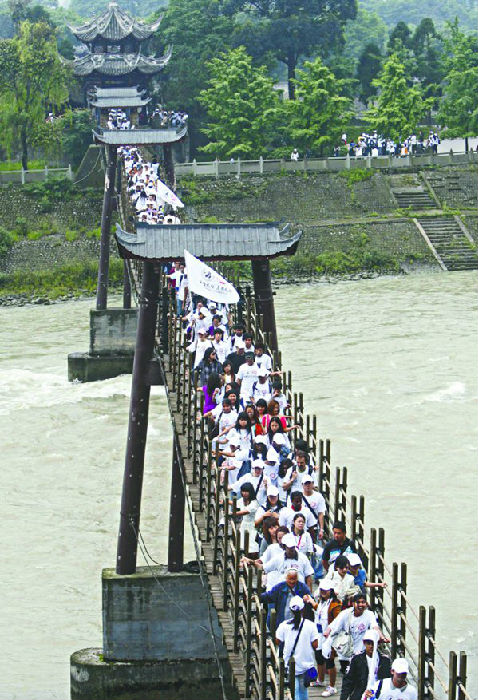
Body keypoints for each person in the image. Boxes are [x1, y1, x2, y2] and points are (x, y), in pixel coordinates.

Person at [322, 593, 389, 662]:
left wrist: (382, 637)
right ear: (353, 604)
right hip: (345, 652)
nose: (360, 605)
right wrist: (327, 631)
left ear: (366, 604)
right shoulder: (345, 613)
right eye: (358, 602)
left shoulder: (369, 614)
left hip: (360, 652)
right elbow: (334, 624)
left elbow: (375, 627)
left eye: (363, 602)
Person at [275, 595, 319, 700]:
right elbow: (316, 645)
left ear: (291, 610)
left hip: (289, 664)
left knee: (294, 692)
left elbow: (277, 641)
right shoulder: (311, 625)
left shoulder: (284, 625)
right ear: (303, 608)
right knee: (303, 691)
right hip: (306, 664)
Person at [304, 579, 342, 695]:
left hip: (329, 636)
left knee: (329, 661)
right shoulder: (321, 601)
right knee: (319, 657)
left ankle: (332, 686)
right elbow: (318, 610)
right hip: (319, 633)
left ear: (330, 591)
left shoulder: (336, 604)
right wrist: (311, 601)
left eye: (325, 590)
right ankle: (320, 680)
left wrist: (331, 632)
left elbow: (338, 621)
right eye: (321, 590)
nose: (323, 592)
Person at [341, 630, 391, 700]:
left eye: (373, 643)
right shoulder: (356, 659)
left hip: (379, 694)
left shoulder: (385, 660)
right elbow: (348, 681)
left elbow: (388, 680)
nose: (371, 646)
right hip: (360, 694)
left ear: (378, 644)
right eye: (368, 643)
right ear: (364, 643)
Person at [234, 482, 260, 555]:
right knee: (242, 544)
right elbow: (235, 503)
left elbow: (245, 512)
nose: (244, 493)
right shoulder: (242, 500)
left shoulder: (254, 503)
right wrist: (224, 502)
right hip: (244, 524)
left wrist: (232, 514)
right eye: (243, 491)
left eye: (246, 491)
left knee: (252, 545)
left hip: (252, 525)